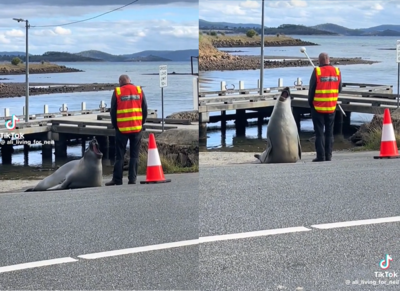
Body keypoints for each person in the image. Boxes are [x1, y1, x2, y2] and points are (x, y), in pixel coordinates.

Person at [106, 74, 148, 185]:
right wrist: (141, 123)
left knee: (119, 155)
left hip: (122, 129)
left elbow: (113, 112)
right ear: (130, 80)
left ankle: (117, 179)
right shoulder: (139, 90)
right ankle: (132, 179)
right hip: (136, 127)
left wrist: (115, 126)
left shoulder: (117, 92)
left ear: (120, 82)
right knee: (134, 155)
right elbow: (145, 109)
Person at [308, 52, 342, 162]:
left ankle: (320, 156)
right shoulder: (337, 71)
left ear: (319, 60)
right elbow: (339, 88)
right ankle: (328, 156)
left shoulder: (317, 71)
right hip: (331, 107)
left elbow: (311, 90)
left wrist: (310, 104)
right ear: (329, 60)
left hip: (318, 107)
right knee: (329, 133)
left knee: (319, 133)